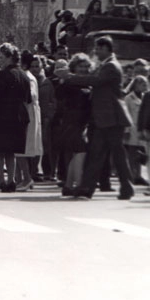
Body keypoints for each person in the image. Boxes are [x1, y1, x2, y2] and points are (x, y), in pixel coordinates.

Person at [56, 36, 135, 200]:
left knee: (115, 155)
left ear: (107, 49)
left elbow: (95, 81)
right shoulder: (105, 65)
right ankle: (87, 188)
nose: (96, 51)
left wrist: (70, 76)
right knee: (96, 154)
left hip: (112, 118)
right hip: (103, 118)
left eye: (99, 48)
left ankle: (126, 187)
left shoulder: (111, 66)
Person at [0, 43, 30, 193]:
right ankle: (11, 180)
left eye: (2, 57)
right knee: (10, 151)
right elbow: (28, 98)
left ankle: (0, 181)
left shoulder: (3, 75)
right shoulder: (24, 75)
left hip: (4, 116)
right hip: (20, 117)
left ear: (10, 57)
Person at [56, 53, 92, 196]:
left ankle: (69, 185)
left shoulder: (87, 82)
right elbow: (58, 95)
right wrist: (64, 80)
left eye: (85, 66)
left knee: (76, 153)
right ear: (74, 67)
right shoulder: (70, 82)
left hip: (81, 122)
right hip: (72, 121)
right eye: (80, 66)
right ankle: (78, 184)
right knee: (80, 151)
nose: (83, 69)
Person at [16, 51, 43, 191]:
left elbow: (31, 95)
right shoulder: (24, 76)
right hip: (25, 113)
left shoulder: (28, 78)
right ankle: (20, 178)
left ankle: (27, 178)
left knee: (22, 148)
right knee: (20, 148)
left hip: (28, 114)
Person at [124, 75, 149, 187]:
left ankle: (138, 175)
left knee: (140, 153)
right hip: (132, 128)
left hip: (142, 129)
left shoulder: (146, 97)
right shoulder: (129, 98)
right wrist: (127, 130)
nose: (144, 86)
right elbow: (126, 114)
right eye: (141, 83)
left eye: (145, 84)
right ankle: (132, 175)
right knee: (132, 152)